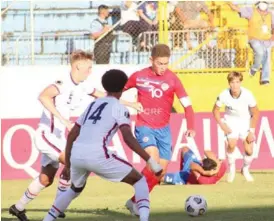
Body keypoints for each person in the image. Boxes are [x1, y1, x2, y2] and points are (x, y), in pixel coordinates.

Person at [8, 50, 142, 221]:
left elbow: (105, 96)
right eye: (88, 66)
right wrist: (63, 120)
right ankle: (59, 206)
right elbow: (43, 96)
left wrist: (130, 103)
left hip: (58, 138)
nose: (90, 70)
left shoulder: (83, 85)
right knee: (73, 162)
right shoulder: (62, 83)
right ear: (78, 65)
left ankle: (18, 207)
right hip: (47, 135)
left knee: (46, 178)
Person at [42, 69, 163, 221]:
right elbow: (128, 138)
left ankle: (47, 219)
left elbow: (73, 134)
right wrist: (150, 160)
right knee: (139, 180)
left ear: (105, 87)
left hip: (77, 154)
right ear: (123, 87)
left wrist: (68, 163)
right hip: (98, 155)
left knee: (74, 189)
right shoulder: (119, 108)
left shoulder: (94, 104)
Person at [123, 44, 195, 215]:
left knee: (160, 173)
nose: (163, 67)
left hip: (164, 130)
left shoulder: (173, 79)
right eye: (159, 63)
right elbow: (116, 94)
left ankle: (133, 201)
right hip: (144, 126)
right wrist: (129, 104)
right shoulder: (138, 77)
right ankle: (139, 192)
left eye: (166, 63)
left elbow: (188, 105)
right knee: (153, 161)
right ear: (151, 60)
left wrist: (191, 126)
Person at [213, 71, 259, 183]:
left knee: (249, 150)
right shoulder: (223, 94)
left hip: (245, 121)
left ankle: (245, 169)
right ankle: (232, 168)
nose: (235, 85)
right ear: (229, 83)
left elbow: (256, 112)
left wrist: (251, 131)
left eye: (237, 82)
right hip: (230, 121)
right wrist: (222, 125)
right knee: (232, 144)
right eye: (233, 82)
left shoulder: (248, 94)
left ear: (240, 82)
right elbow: (215, 111)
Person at [228, 1, 274, 85]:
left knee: (267, 57)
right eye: (262, 2)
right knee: (260, 52)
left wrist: (272, 37)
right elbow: (237, 9)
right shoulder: (251, 11)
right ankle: (254, 69)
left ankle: (265, 79)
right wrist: (229, 3)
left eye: (265, 2)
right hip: (254, 38)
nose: (263, 4)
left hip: (267, 40)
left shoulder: (271, 14)